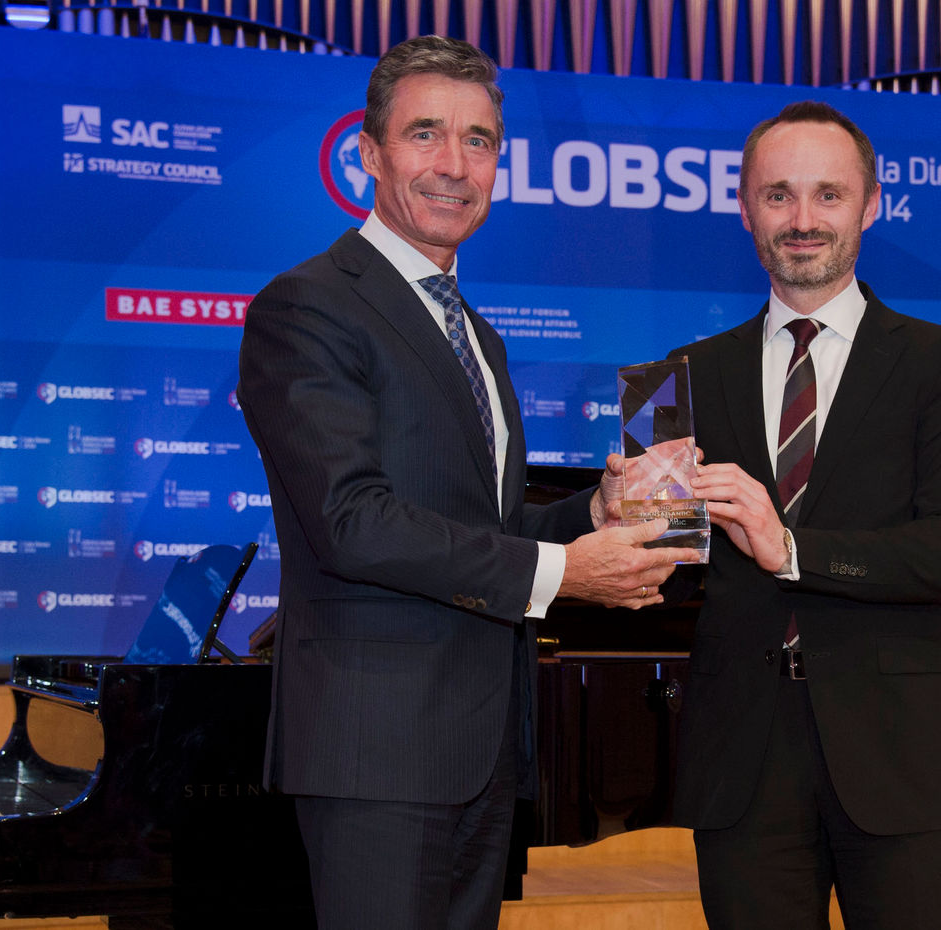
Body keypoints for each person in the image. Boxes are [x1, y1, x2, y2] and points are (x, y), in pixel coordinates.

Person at [237, 35, 695, 930]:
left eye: (478, 140)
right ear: (369, 153)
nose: (454, 164)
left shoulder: (478, 335)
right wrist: (567, 573)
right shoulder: (310, 304)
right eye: (426, 134)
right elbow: (352, 522)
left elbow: (483, 524)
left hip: (484, 749)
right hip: (376, 753)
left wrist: (594, 513)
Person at [666, 101, 941, 929]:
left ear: (871, 205)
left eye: (829, 194)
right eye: (778, 195)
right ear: (744, 209)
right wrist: (624, 522)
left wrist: (790, 548)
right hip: (739, 761)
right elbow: (668, 572)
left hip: (898, 755)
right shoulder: (682, 375)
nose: (803, 220)